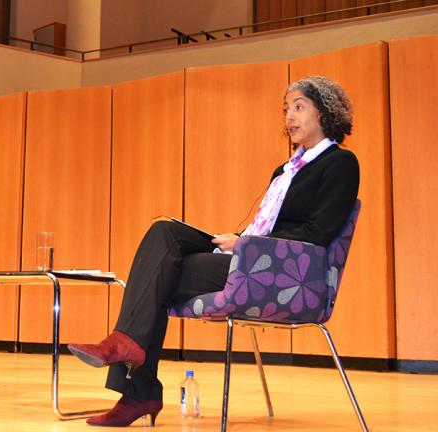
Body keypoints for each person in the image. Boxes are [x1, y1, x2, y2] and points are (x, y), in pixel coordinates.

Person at [68, 76, 359, 427]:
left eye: (299, 107)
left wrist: (248, 245)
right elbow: (265, 226)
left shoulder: (341, 163)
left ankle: (137, 387)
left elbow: (321, 231)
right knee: (165, 231)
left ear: (325, 114)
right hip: (252, 256)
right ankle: (131, 365)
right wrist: (238, 239)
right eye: (286, 109)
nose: (289, 117)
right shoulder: (284, 171)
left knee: (160, 274)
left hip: (282, 272)